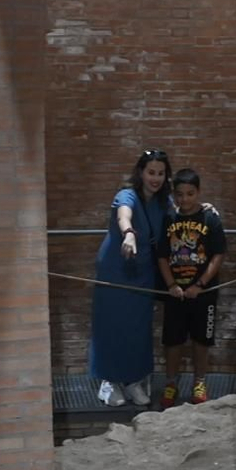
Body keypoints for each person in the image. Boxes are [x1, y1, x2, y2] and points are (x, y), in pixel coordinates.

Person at [89, 149, 172, 406]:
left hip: (143, 272)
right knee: (111, 326)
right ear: (141, 173)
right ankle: (108, 382)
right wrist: (129, 233)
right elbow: (124, 214)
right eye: (151, 172)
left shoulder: (164, 202)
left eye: (160, 173)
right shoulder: (127, 195)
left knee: (138, 328)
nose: (155, 178)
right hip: (116, 269)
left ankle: (134, 380)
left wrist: (205, 208)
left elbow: (183, 212)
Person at [156, 168, 227, 408]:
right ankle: (171, 382)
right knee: (173, 341)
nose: (184, 199)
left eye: (189, 193)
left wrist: (200, 284)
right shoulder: (169, 218)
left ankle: (200, 381)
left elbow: (218, 255)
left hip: (203, 294)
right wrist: (171, 284)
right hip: (176, 293)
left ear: (198, 193)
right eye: (179, 194)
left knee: (201, 340)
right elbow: (163, 256)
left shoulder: (210, 218)